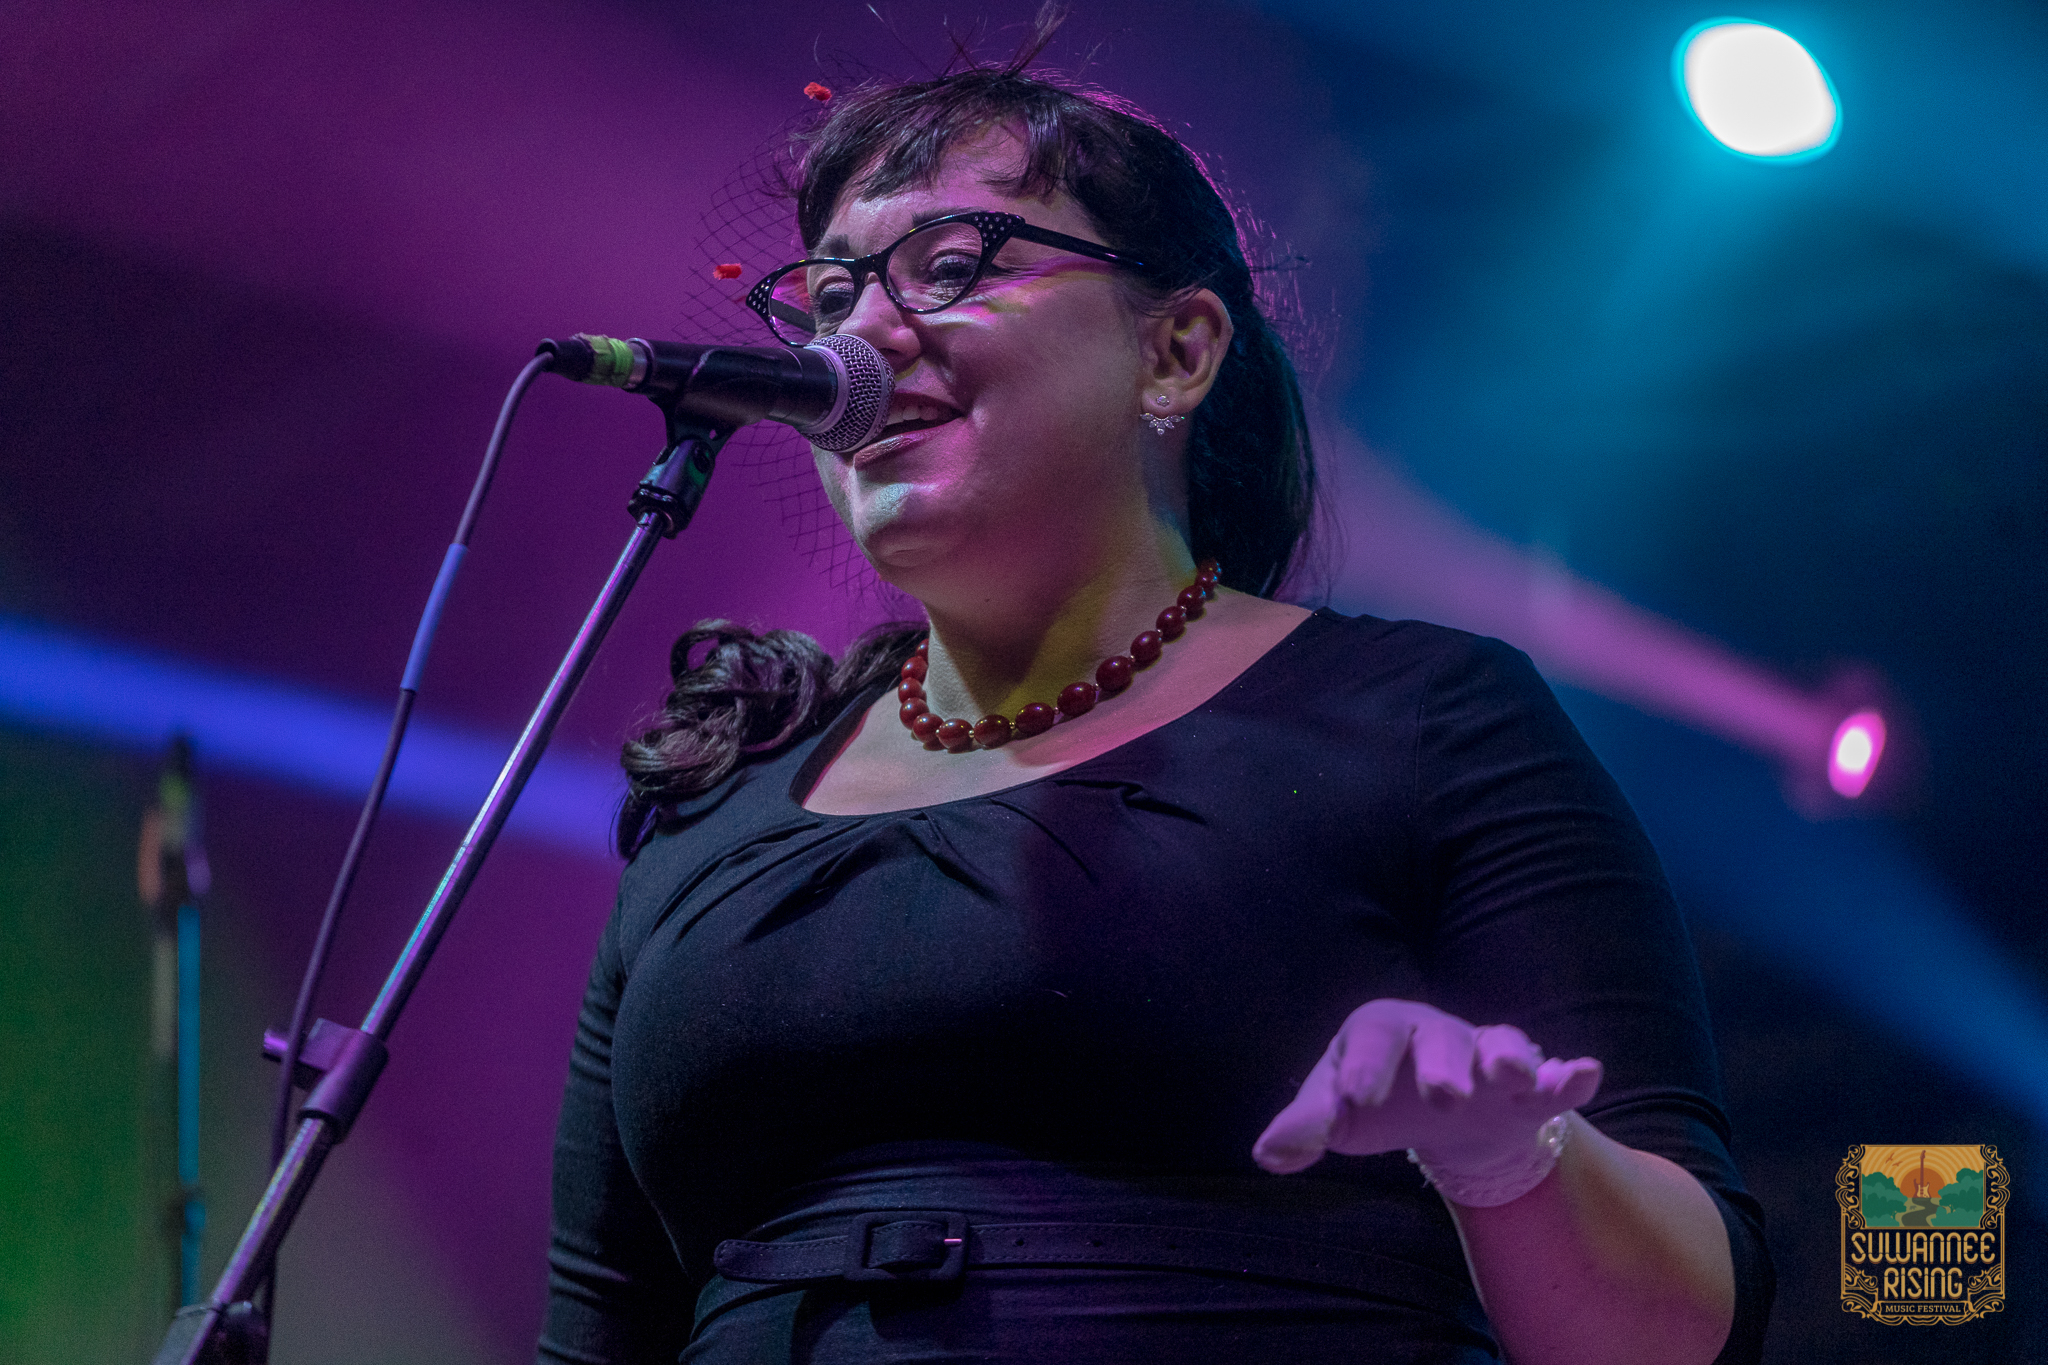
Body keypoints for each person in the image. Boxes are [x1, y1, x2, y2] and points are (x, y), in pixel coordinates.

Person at [539, 31, 1772, 1365]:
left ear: (1176, 351)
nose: (866, 341)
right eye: (833, 297)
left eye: (950, 267)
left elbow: (1683, 1326)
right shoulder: (720, 805)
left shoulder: (1425, 719)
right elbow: (597, 1334)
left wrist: (1508, 1150)